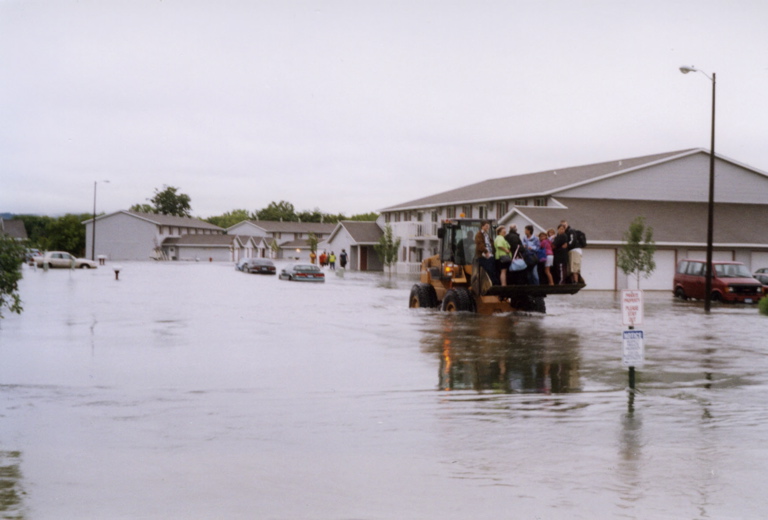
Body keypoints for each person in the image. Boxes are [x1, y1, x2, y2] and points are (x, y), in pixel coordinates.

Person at [474, 220, 498, 285]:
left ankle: (493, 285)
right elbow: (480, 244)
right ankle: (490, 285)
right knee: (489, 270)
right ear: (482, 226)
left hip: (490, 255)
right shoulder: (479, 235)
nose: (488, 227)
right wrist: (486, 252)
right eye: (486, 226)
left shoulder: (487, 235)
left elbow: (490, 244)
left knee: (493, 270)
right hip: (484, 256)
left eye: (488, 226)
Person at [561, 219, 582, 284]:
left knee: (574, 266)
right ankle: (572, 281)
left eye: (564, 225)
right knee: (570, 267)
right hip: (570, 251)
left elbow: (573, 240)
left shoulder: (571, 231)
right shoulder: (564, 233)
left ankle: (576, 281)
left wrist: (567, 245)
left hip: (574, 250)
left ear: (567, 224)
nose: (563, 226)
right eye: (562, 225)